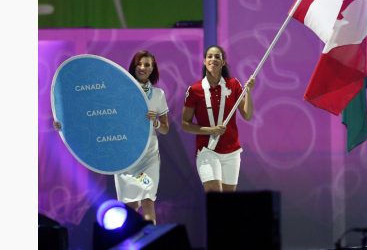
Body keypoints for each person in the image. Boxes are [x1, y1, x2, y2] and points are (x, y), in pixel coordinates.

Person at [54, 50, 169, 224]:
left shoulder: (159, 94)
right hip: (124, 158)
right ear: (133, 66)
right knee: (130, 205)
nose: (142, 68)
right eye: (139, 64)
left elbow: (166, 129)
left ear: (153, 69)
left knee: (147, 200)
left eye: (147, 65)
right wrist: (65, 125)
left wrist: (156, 123)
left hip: (148, 157)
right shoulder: (119, 91)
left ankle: (151, 240)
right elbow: (95, 115)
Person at [182, 45, 255, 193]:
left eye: (217, 57)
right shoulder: (195, 90)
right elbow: (185, 124)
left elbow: (247, 115)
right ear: (204, 61)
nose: (213, 59)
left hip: (232, 151)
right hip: (207, 150)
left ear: (223, 62)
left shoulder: (233, 84)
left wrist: (248, 92)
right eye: (209, 56)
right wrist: (211, 130)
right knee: (214, 195)